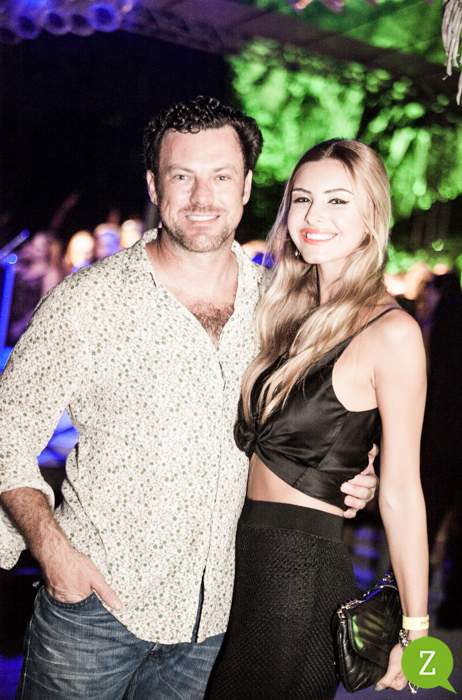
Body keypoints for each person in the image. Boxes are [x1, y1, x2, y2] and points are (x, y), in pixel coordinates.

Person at [0, 98, 376, 700]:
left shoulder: (282, 306)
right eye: (182, 176)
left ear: (246, 187)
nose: (202, 197)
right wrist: (52, 550)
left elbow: (315, 420)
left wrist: (351, 469)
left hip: (220, 618)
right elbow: (4, 434)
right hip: (94, 610)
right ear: (154, 185)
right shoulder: (89, 300)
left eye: (221, 176)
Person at [206, 139, 428, 700]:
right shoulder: (289, 310)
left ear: (371, 217)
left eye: (337, 201)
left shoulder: (392, 334)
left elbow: (402, 490)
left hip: (297, 572)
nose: (313, 216)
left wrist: (415, 627)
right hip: (248, 556)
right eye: (302, 199)